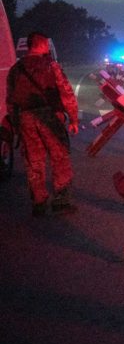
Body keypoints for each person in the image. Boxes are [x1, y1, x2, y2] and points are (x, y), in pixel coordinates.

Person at [6, 32, 79, 216]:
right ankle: (61, 201)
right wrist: (73, 118)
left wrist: (16, 125)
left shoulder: (15, 69)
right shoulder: (51, 66)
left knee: (33, 162)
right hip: (49, 116)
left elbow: (11, 100)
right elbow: (66, 92)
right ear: (43, 45)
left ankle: (39, 203)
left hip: (26, 118)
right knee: (59, 157)